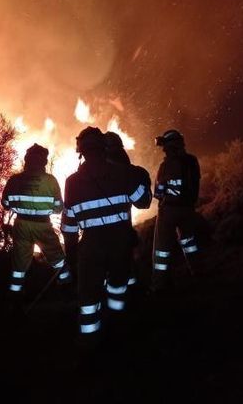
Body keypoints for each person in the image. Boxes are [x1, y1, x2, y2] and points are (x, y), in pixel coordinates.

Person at [61, 128, 151, 338]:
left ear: (81, 151)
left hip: (90, 248)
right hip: (120, 245)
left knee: (88, 299)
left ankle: (90, 342)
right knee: (117, 289)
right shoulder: (124, 173)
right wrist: (141, 178)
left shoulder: (72, 182)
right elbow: (144, 202)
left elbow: (69, 225)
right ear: (104, 147)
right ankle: (117, 328)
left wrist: (72, 254)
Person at [2, 144, 71, 308]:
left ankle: (15, 297)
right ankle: (67, 288)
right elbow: (59, 208)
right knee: (57, 257)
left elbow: (5, 204)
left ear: (27, 160)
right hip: (43, 225)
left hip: (21, 225)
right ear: (44, 161)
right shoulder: (50, 180)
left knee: (19, 264)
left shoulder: (14, 180)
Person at [150, 129, 202, 292]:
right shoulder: (192, 161)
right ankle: (198, 273)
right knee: (189, 243)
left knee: (161, 250)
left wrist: (163, 194)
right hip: (188, 209)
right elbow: (195, 185)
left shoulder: (165, 166)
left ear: (169, 147)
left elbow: (158, 193)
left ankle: (159, 285)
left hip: (169, 211)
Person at [102, 131, 152, 291]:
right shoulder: (129, 173)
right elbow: (143, 202)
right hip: (121, 236)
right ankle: (132, 296)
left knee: (105, 275)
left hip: (96, 239)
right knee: (126, 272)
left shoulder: (85, 177)